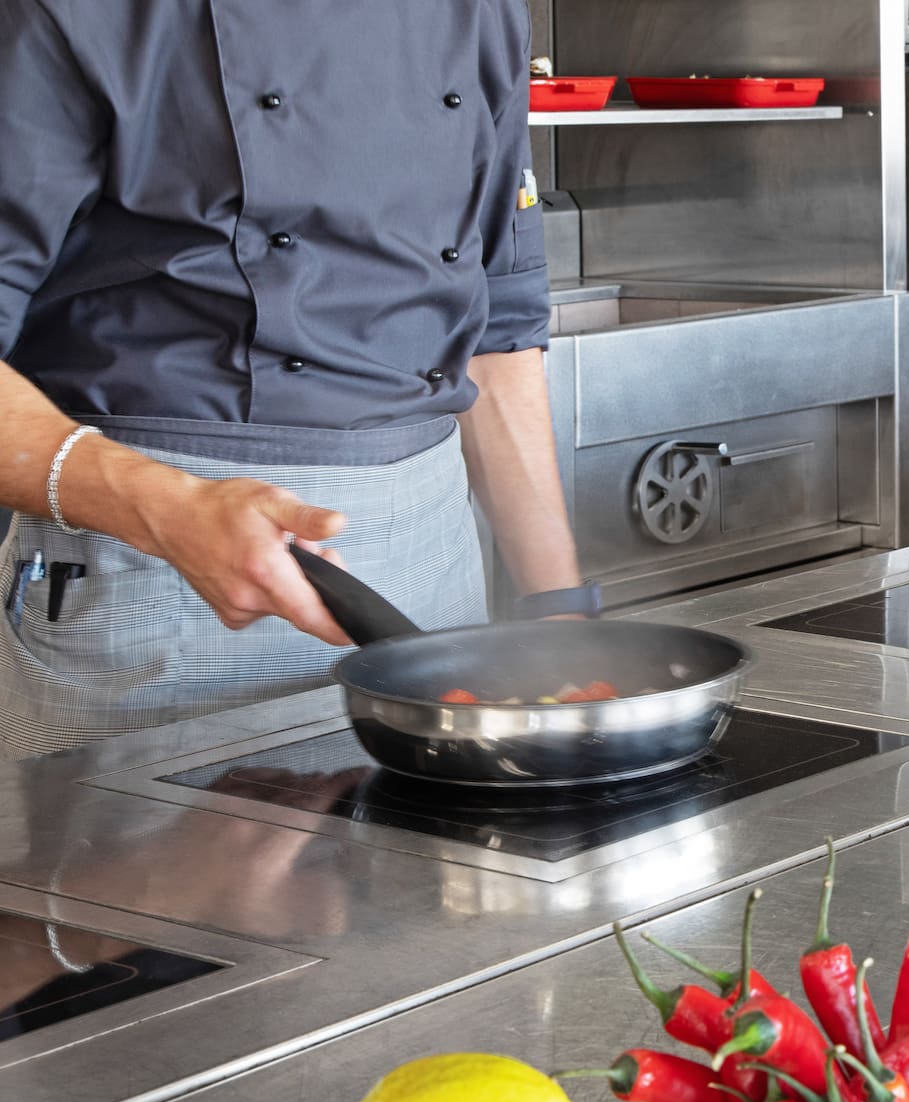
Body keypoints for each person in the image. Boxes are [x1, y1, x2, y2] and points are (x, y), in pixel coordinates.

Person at [0, 0, 581, 755]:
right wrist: (165, 509)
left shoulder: (481, 10)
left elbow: (498, 331)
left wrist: (563, 614)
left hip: (434, 585)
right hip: (161, 596)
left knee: (433, 866)